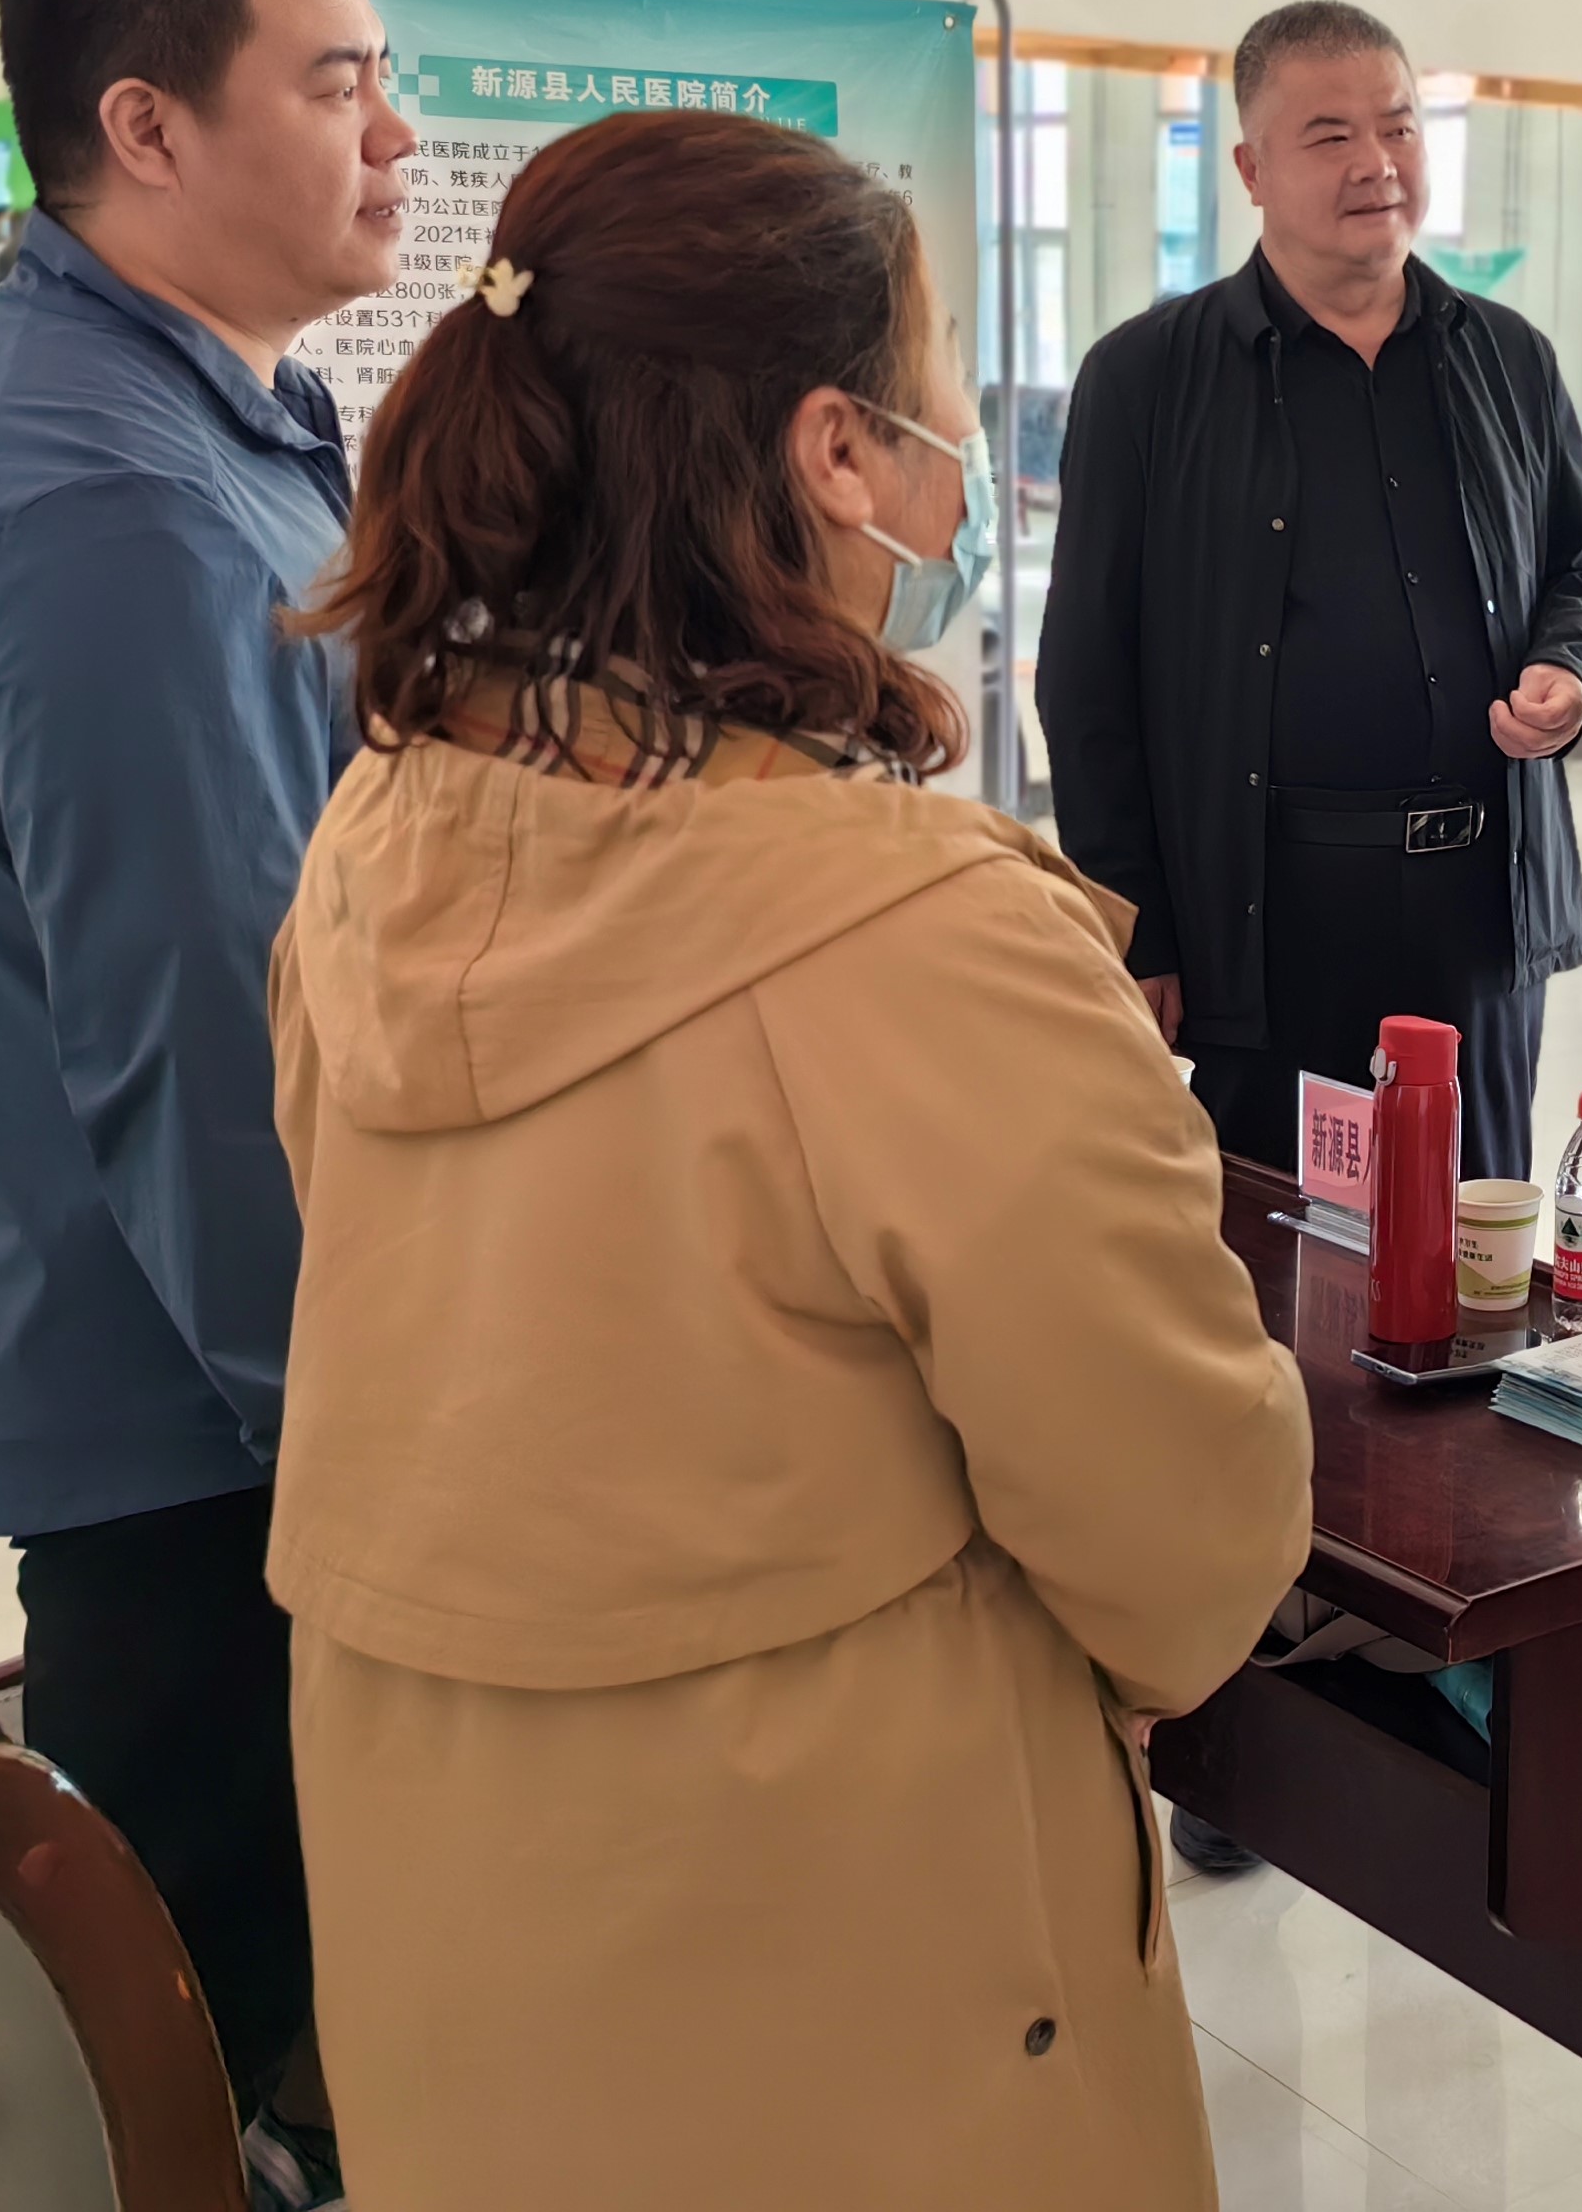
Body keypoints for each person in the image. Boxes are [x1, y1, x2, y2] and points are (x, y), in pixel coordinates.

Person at [269, 109, 1314, 2211]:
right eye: (941, 397)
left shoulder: (386, 829)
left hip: (448, 1901)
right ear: (835, 451)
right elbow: (1184, 1531)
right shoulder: (923, 935)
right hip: (850, 1952)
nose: (959, 460)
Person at [0, 0, 410, 2206]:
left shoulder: (215, 421)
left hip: (218, 1422)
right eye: (340, 81)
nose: (396, 133)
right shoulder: (108, 499)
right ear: (152, 125)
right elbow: (208, 1064)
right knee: (218, 2087)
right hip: (218, 1468)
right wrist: (372, 1473)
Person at [1040, 0, 1582, 1199]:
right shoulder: (1146, 378)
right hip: (1263, 910)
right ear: (1252, 169)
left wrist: (1569, 670)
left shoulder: (1507, 357)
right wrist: (1133, 925)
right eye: (1329, 136)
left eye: (1400, 127)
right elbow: (1088, 674)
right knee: (1276, 1243)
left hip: (1478, 903)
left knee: (1469, 1234)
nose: (1377, 163)